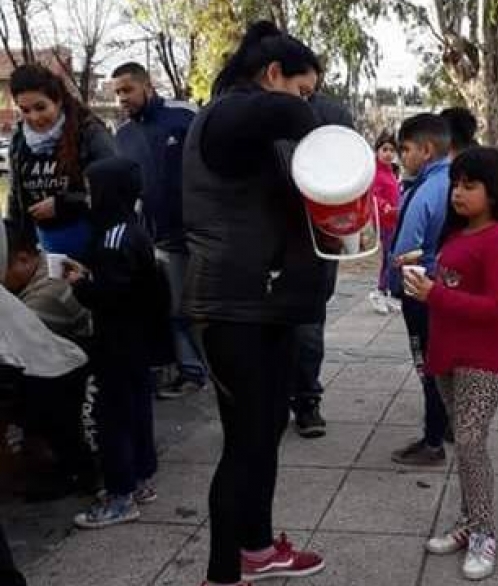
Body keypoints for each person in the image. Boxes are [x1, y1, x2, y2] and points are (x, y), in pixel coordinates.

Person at [182, 20, 326, 585]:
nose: (306, 103)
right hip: (232, 306)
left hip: (266, 302)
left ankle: (259, 550)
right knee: (243, 444)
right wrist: (319, 126)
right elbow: (286, 115)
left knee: (264, 434)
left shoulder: (251, 122)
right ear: (271, 75)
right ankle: (222, 575)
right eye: (302, 88)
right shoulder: (226, 115)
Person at [408, 146, 498, 580]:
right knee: (465, 446)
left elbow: (497, 307)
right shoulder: (457, 235)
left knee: (471, 442)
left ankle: (484, 534)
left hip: (484, 359)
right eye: (456, 183)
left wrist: (435, 294)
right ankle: (467, 522)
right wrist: (427, 279)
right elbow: (453, 285)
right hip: (448, 353)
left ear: (494, 192)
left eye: (470, 186)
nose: (458, 193)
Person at [63, 158, 160, 529]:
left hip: (117, 340)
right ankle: (140, 479)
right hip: (136, 340)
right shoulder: (129, 228)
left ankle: (121, 494)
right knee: (136, 406)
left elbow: (113, 294)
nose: (88, 198)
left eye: (91, 190)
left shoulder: (114, 236)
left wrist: (80, 285)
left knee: (111, 415)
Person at [112, 61, 207, 400]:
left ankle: (221, 369)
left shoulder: (184, 115)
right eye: (118, 92)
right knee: (176, 307)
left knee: (208, 307)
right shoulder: (122, 135)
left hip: (202, 230)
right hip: (159, 237)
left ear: (147, 86)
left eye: (127, 90)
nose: (122, 98)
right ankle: (192, 371)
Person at [2, 219, 95, 500]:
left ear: (22, 259)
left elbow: (26, 354)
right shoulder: (48, 261)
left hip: (76, 372)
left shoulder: (44, 297)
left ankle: (67, 469)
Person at [286, 91, 356, 439]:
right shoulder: (258, 109)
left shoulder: (331, 112)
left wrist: (339, 229)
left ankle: (306, 402)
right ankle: (277, 401)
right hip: (265, 237)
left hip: (316, 237)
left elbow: (351, 172)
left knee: (308, 326)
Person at [389, 114, 452, 466]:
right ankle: (444, 426)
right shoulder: (456, 179)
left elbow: (405, 251)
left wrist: (398, 280)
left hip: (422, 291)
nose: (402, 157)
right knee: (443, 363)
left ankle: (432, 442)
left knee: (427, 363)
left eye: (407, 149)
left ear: (426, 150)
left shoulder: (426, 190)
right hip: (449, 289)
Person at [5, 64, 116, 260]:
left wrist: (63, 205)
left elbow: (114, 188)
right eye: (25, 110)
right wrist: (15, 244)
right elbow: (15, 200)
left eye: (40, 107)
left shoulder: (88, 132)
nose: (34, 117)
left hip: (95, 245)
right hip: (44, 248)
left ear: (58, 101)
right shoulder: (19, 140)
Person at [367, 130, 400, 316]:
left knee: (393, 257)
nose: (388, 153)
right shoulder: (376, 173)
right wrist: (384, 205)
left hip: (394, 220)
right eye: (384, 149)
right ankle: (379, 292)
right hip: (384, 222)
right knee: (388, 257)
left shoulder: (390, 172)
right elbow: (372, 196)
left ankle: (387, 293)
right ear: (377, 151)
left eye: (391, 150)